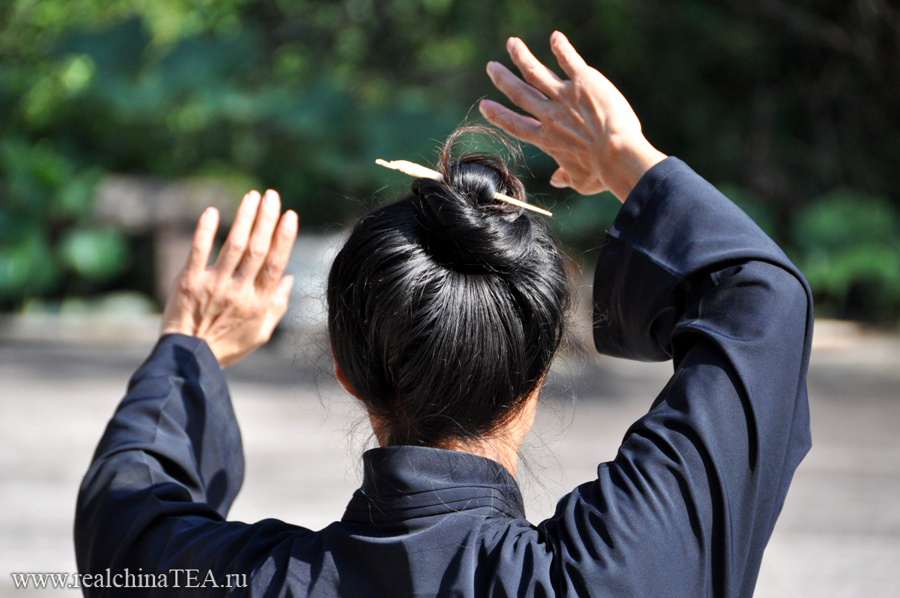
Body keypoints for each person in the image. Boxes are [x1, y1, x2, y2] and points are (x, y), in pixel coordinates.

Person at [75, 32, 812, 597]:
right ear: (541, 362)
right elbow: (763, 306)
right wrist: (627, 160)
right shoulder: (609, 576)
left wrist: (190, 345)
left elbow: (122, 513)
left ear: (346, 367)